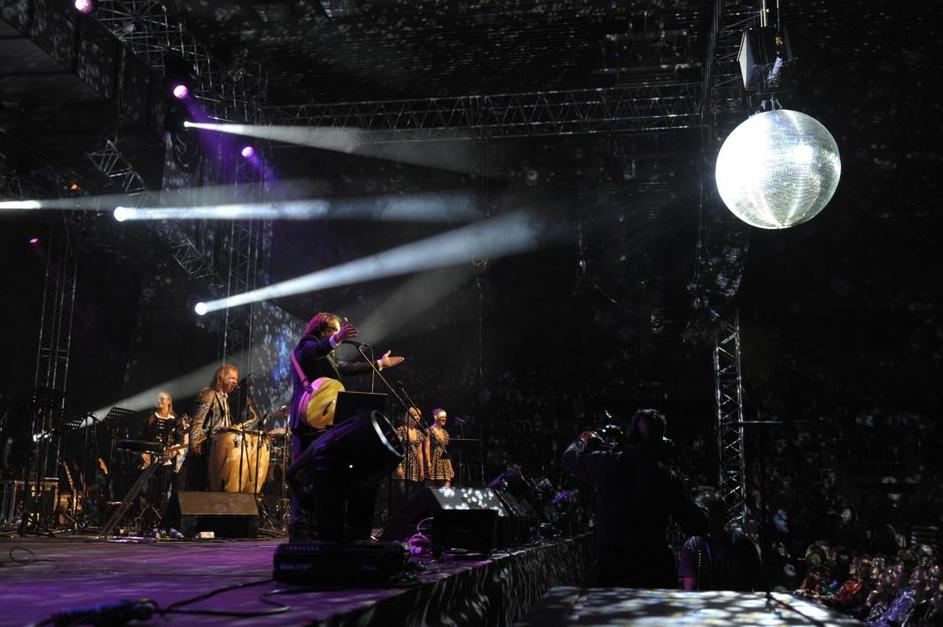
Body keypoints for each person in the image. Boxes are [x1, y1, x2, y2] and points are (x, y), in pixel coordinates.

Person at [288, 312, 404, 542]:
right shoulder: (306, 345)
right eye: (333, 329)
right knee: (304, 475)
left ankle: (319, 526)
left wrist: (380, 364)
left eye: (338, 330)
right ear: (321, 330)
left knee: (322, 475)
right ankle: (298, 527)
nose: (338, 333)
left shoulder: (328, 356)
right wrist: (336, 339)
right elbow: (312, 351)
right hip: (306, 421)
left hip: (322, 421)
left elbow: (347, 369)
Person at [562, 408, 707, 587]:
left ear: (632, 435)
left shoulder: (607, 462)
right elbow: (695, 523)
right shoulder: (666, 476)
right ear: (659, 441)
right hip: (654, 569)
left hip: (612, 568)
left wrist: (583, 440)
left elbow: (570, 458)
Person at [677, 488, 764, 591]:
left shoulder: (742, 542)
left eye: (701, 512)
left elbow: (759, 584)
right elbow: (689, 590)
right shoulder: (693, 545)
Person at [186, 364, 246, 491]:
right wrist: (194, 446)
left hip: (217, 450)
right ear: (222, 377)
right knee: (198, 489)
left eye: (236, 379)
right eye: (232, 378)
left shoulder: (224, 399)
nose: (235, 382)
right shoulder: (208, 394)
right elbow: (197, 422)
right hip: (204, 449)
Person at [424, 408, 454, 488]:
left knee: (446, 486)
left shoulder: (445, 432)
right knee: (430, 487)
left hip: (444, 462)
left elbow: (445, 450)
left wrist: (450, 467)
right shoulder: (429, 430)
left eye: (445, 417)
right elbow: (426, 448)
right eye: (442, 417)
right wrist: (428, 463)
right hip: (433, 460)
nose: (444, 419)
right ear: (435, 417)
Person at [395, 407, 425, 483]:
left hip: (414, 467)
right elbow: (397, 448)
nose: (418, 417)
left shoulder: (419, 433)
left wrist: (422, 470)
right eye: (415, 415)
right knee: (401, 487)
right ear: (408, 416)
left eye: (419, 416)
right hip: (402, 464)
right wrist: (399, 466)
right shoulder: (401, 430)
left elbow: (420, 453)